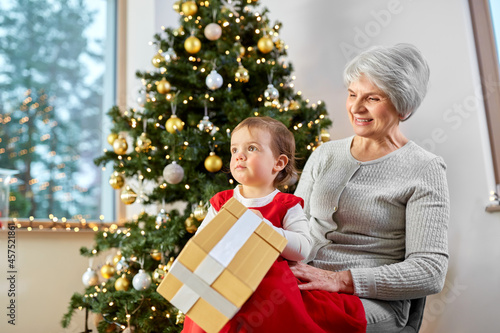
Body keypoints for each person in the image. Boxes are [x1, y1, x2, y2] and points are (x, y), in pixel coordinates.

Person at [290, 43, 450, 332]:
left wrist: (341, 280)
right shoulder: (326, 155)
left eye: (372, 98)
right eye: (352, 94)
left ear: (405, 106)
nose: (355, 107)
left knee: (285, 317)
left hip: (369, 300)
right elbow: (294, 228)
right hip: (303, 279)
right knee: (228, 298)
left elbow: (430, 271)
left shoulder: (424, 168)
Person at [182, 116, 367, 333]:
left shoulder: (286, 205)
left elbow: (302, 249)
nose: (239, 156)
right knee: (205, 305)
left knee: (270, 297)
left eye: (251, 148)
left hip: (267, 280)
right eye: (234, 150)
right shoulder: (222, 202)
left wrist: (265, 229)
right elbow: (201, 242)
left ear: (278, 163)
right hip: (225, 275)